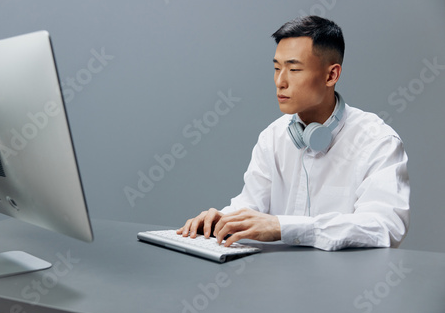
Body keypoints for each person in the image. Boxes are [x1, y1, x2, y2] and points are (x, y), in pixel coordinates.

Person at [176, 15, 410, 251]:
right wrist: (221, 220)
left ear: (331, 75)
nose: (280, 81)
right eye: (277, 68)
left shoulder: (377, 140)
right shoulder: (273, 136)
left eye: (294, 69)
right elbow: (251, 207)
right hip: (278, 281)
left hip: (348, 284)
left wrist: (282, 227)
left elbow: (385, 227)